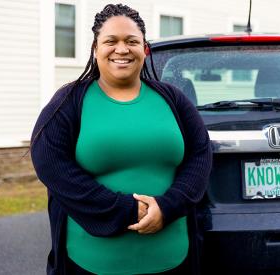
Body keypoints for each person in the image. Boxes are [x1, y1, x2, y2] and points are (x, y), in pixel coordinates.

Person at [30, 3, 212, 275]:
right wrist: (129, 210)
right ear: (95, 49)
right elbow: (51, 164)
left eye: (132, 41)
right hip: (90, 264)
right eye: (110, 41)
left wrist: (167, 206)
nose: (122, 49)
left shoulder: (172, 99)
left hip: (173, 260)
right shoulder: (69, 102)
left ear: (145, 49)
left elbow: (200, 153)